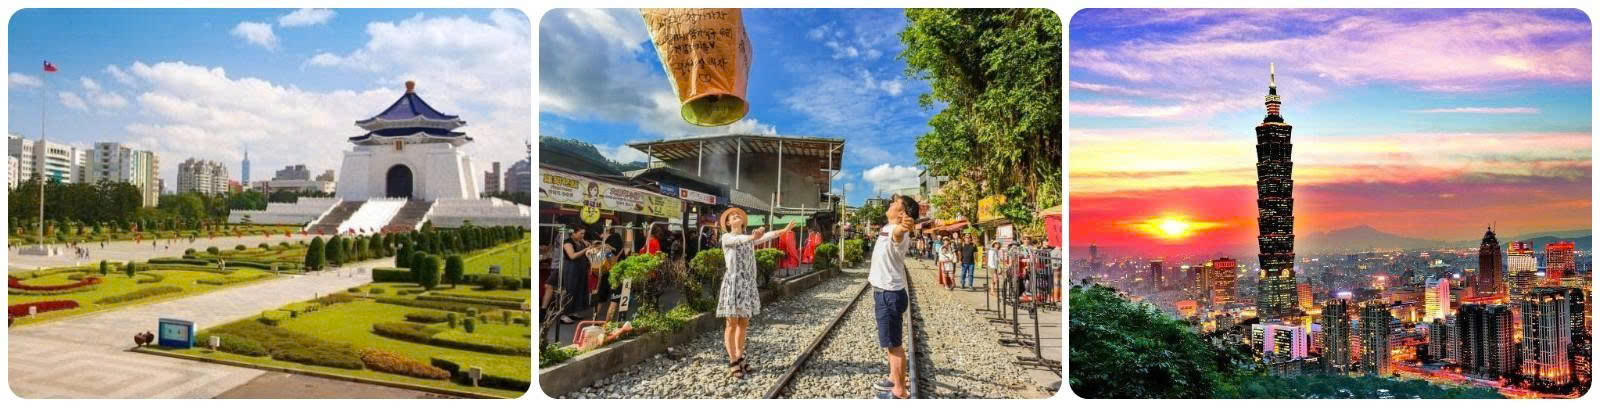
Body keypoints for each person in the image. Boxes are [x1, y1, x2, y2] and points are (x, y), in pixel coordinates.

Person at [716, 207, 793, 379]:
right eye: (732, 216)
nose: (736, 216)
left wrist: (785, 230)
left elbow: (768, 235)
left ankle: (740, 356)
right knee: (731, 323)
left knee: (743, 322)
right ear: (727, 223)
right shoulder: (727, 237)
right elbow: (741, 240)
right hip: (733, 283)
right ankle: (733, 360)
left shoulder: (749, 238)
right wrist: (754, 236)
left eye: (738, 215)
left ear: (743, 222)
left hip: (747, 284)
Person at [869, 194, 923, 399]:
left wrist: (904, 226)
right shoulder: (888, 227)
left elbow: (899, 233)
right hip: (886, 292)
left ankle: (899, 392)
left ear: (901, 213)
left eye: (895, 203)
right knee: (889, 342)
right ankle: (893, 377)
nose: (890, 204)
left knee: (894, 345)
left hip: (888, 294)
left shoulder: (897, 231)